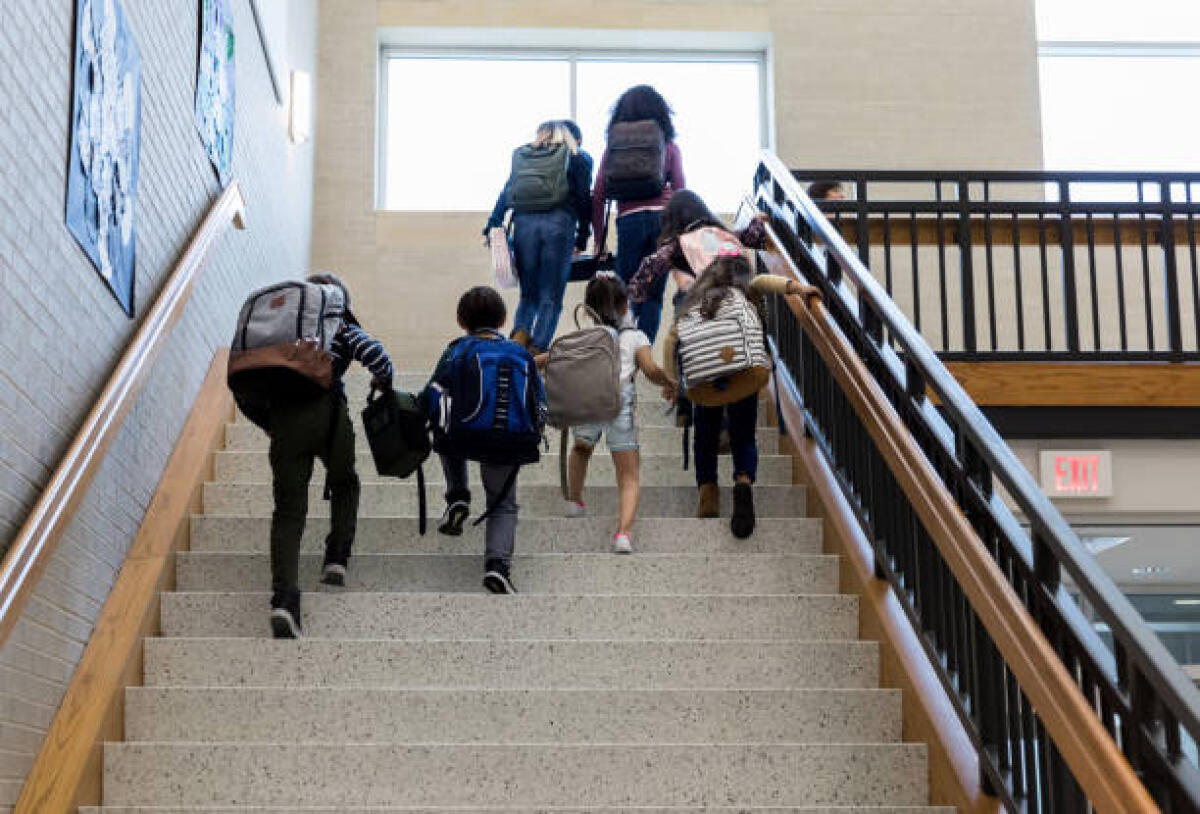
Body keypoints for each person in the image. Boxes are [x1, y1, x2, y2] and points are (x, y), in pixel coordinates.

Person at [268, 273, 394, 639]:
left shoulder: (280, 331)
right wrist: (382, 382)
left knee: (288, 511)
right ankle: (337, 556)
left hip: (285, 420)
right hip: (328, 416)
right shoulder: (341, 327)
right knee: (344, 482)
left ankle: (284, 600)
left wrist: (268, 421)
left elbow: (247, 382)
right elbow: (378, 357)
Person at [662, 254, 810, 538]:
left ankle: (708, 493)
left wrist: (672, 381)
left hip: (704, 379)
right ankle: (743, 481)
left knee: (704, 437)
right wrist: (796, 288)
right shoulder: (746, 289)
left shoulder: (694, 299)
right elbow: (766, 281)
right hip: (743, 372)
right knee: (743, 435)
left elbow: (671, 340)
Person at [421, 287, 532, 594]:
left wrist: (419, 418)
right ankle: (497, 567)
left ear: (460, 320)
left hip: (464, 437)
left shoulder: (457, 349)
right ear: (503, 319)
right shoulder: (520, 353)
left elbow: (433, 392)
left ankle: (458, 494)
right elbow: (539, 401)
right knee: (503, 505)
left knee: (445, 428)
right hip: (508, 440)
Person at [557, 274, 676, 553]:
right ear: (625, 305)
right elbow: (650, 370)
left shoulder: (582, 337)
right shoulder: (635, 337)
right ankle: (622, 534)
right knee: (628, 474)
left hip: (587, 398)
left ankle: (574, 501)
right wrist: (669, 382)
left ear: (588, 307)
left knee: (581, 449)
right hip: (618, 401)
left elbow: (555, 358)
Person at [485, 121, 593, 354]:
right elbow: (585, 200)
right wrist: (583, 236)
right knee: (550, 298)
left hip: (524, 225)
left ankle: (516, 347)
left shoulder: (525, 157)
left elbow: (507, 191)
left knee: (528, 295)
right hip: (560, 225)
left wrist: (494, 222)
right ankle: (535, 354)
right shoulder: (578, 157)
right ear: (572, 138)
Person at [592, 85, 685, 343]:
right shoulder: (667, 145)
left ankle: (626, 353)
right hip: (663, 221)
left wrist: (599, 241)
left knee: (626, 292)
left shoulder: (613, 148)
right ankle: (643, 353)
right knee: (653, 295)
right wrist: (682, 234)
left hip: (629, 220)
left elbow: (598, 194)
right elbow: (680, 190)